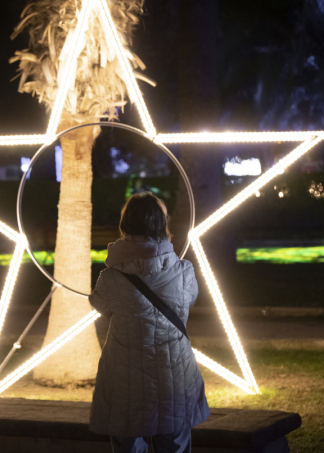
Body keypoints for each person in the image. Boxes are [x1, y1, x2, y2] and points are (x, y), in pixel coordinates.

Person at [89, 192, 210, 453]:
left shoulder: (109, 279)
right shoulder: (184, 271)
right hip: (173, 375)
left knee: (128, 445)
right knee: (175, 445)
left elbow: (99, 305)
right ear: (161, 224)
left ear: (125, 224)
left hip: (125, 379)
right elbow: (189, 301)